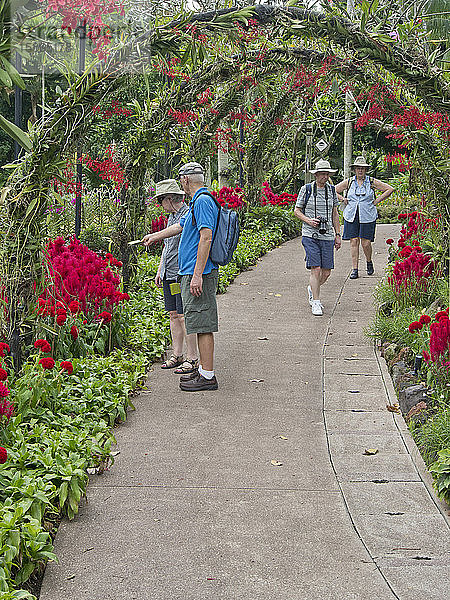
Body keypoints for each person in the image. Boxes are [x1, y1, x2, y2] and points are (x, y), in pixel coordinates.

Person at [143, 162, 220, 392]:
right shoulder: (197, 202)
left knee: (204, 324)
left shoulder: (203, 201)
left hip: (200, 274)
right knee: (198, 321)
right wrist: (154, 236)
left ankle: (207, 376)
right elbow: (179, 227)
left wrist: (197, 275)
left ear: (186, 180)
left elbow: (206, 238)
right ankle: (203, 370)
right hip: (188, 273)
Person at [153, 179, 199, 375]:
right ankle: (177, 354)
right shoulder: (171, 217)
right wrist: (160, 269)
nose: (160, 205)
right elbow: (167, 247)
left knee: (183, 316)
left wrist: (154, 235)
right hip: (169, 273)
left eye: (160, 200)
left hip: (182, 273)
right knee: (173, 315)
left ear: (170, 199)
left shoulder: (187, 215)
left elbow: (178, 233)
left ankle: (192, 357)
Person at [294, 159, 342, 316]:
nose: (325, 177)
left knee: (326, 272)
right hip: (310, 235)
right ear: (316, 175)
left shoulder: (331, 190)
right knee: (316, 268)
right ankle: (316, 302)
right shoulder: (306, 189)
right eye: (322, 174)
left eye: (327, 174)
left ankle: (312, 288)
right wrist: (309, 220)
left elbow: (335, 213)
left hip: (327, 235)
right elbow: (296, 210)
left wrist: (337, 234)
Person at [335, 156, 394, 279]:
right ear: (354, 170)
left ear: (365, 170)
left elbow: (389, 189)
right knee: (354, 241)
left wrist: (377, 201)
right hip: (351, 215)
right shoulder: (349, 182)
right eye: (358, 168)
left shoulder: (371, 181)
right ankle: (354, 269)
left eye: (362, 168)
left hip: (367, 215)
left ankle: (369, 261)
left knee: (366, 243)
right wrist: (343, 199)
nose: (360, 171)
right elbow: (333, 190)